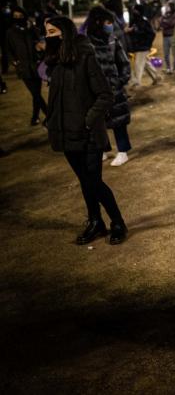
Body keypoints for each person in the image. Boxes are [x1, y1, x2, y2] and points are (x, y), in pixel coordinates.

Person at [42, 16, 127, 245]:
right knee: (84, 180)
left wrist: (87, 121)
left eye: (52, 32)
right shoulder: (56, 61)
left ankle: (117, 222)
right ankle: (95, 222)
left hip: (88, 134)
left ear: (64, 33)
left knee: (94, 181)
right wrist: (52, 121)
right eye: (46, 32)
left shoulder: (85, 56)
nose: (48, 36)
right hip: (66, 134)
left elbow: (105, 95)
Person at [86, 6, 133, 167]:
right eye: (107, 22)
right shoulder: (87, 43)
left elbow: (124, 62)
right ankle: (103, 150)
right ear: (98, 23)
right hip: (95, 92)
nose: (110, 25)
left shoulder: (112, 39)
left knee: (118, 121)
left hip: (114, 89)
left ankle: (122, 151)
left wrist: (120, 80)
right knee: (98, 122)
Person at [7, 6, 46, 125]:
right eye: (15, 17)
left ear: (24, 16)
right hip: (23, 68)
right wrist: (13, 61)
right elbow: (8, 50)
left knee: (37, 94)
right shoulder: (10, 32)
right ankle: (50, 114)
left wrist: (40, 50)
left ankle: (35, 118)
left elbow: (41, 42)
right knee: (35, 93)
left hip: (36, 66)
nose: (18, 18)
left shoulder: (32, 29)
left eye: (20, 16)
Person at [126, 4, 159, 87]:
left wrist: (147, 44)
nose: (134, 11)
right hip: (137, 47)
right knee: (145, 63)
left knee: (138, 64)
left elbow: (151, 33)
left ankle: (136, 82)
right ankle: (156, 77)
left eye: (135, 10)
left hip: (142, 47)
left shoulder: (144, 21)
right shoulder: (134, 21)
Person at [158, 2, 175, 74]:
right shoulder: (166, 14)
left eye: (168, 6)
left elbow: (172, 23)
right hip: (165, 36)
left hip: (173, 36)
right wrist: (166, 22)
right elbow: (161, 22)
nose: (167, 8)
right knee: (166, 54)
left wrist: (165, 22)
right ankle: (168, 68)